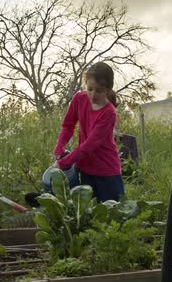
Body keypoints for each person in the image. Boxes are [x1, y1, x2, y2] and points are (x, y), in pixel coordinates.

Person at [52, 62, 124, 202]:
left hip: (107, 172)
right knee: (87, 217)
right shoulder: (79, 99)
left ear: (108, 90)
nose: (93, 94)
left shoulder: (109, 113)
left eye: (99, 90)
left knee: (111, 218)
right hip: (85, 170)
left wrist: (62, 163)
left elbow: (88, 146)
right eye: (90, 89)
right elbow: (68, 126)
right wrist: (59, 148)